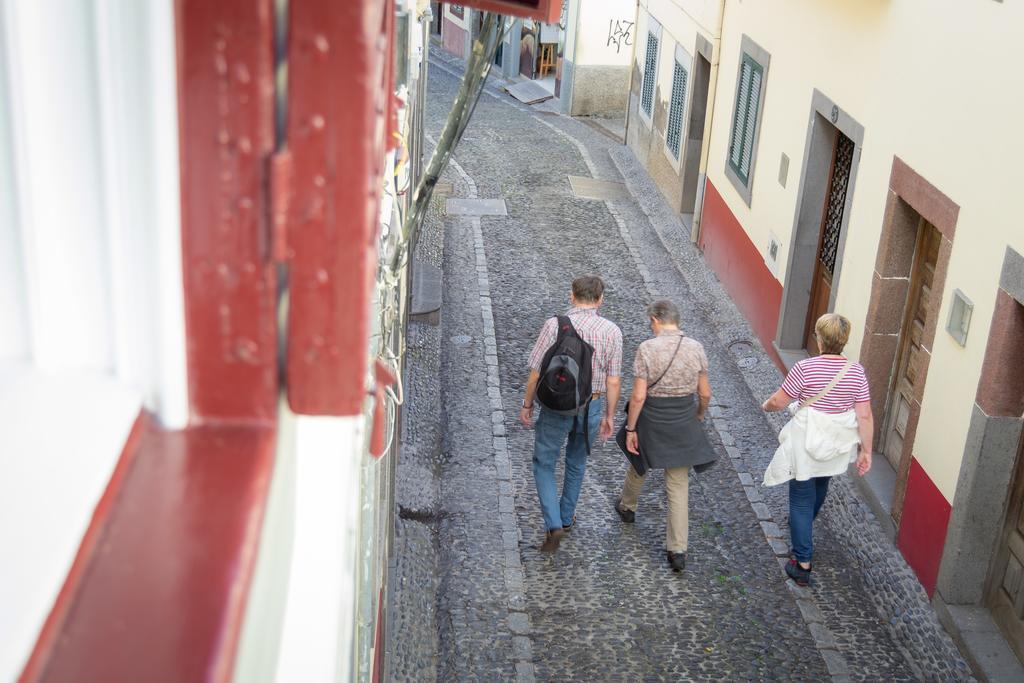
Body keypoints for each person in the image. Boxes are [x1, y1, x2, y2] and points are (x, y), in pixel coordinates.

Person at [761, 313, 873, 587]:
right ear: (843, 341)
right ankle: (803, 528)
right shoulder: (856, 372)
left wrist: (767, 406)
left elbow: (780, 399)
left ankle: (802, 562)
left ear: (820, 340)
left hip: (808, 440)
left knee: (800, 498)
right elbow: (865, 415)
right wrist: (866, 451)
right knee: (821, 483)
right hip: (835, 442)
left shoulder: (805, 369)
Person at [520, 276, 623, 552]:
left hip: (557, 405)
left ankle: (553, 523)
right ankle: (566, 519)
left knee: (544, 463)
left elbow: (536, 370)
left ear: (571, 296)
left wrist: (528, 404)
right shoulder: (612, 332)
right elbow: (614, 380)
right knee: (576, 462)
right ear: (600, 299)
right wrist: (610, 415)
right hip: (592, 405)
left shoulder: (554, 325)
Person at [615, 300, 715, 573]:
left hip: (652, 416)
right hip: (682, 417)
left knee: (639, 461)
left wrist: (632, 429)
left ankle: (627, 506)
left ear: (656, 320)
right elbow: (705, 393)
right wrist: (699, 415)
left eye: (651, 322)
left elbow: (638, 396)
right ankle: (677, 549)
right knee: (678, 483)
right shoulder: (696, 348)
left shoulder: (647, 349)